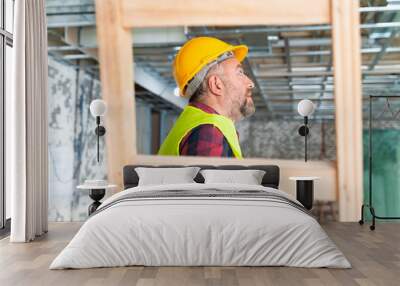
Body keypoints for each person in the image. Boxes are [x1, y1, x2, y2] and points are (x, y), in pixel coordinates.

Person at [158, 37, 255, 158]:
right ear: (216, 84)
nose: (250, 82)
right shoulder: (209, 132)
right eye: (239, 73)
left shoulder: (197, 124)